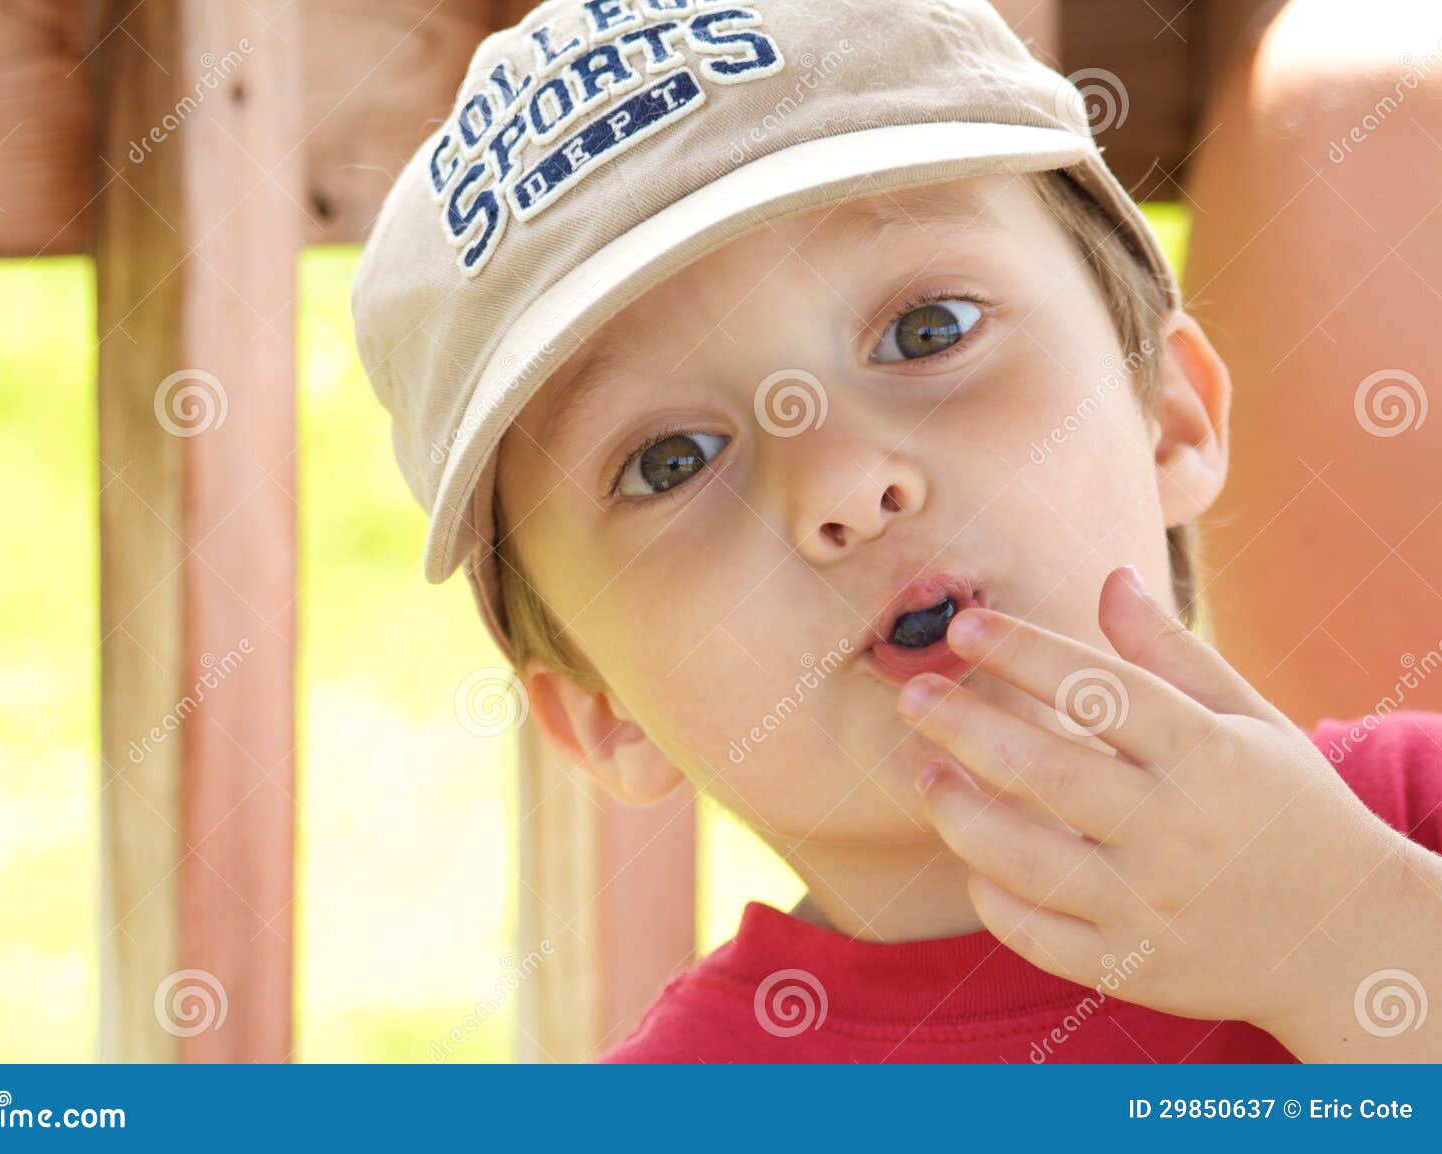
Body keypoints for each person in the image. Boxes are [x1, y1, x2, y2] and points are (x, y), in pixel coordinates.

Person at [351, 0, 1442, 1062]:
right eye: (670, 460)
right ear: (604, 713)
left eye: (928, 331)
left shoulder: (1412, 829)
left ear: (1166, 416)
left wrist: (1347, 937)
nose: (843, 479)